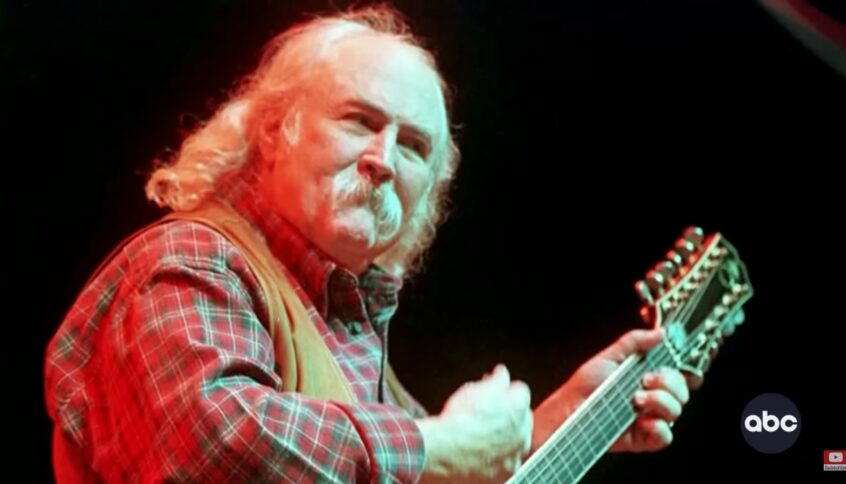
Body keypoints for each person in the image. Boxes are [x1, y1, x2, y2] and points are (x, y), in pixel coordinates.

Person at [44, 5, 732, 483]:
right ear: (273, 131)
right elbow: (212, 444)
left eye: (414, 147)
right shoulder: (191, 260)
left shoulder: (348, 328)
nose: (382, 159)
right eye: (359, 121)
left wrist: (565, 421)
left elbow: (425, 471)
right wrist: (435, 446)